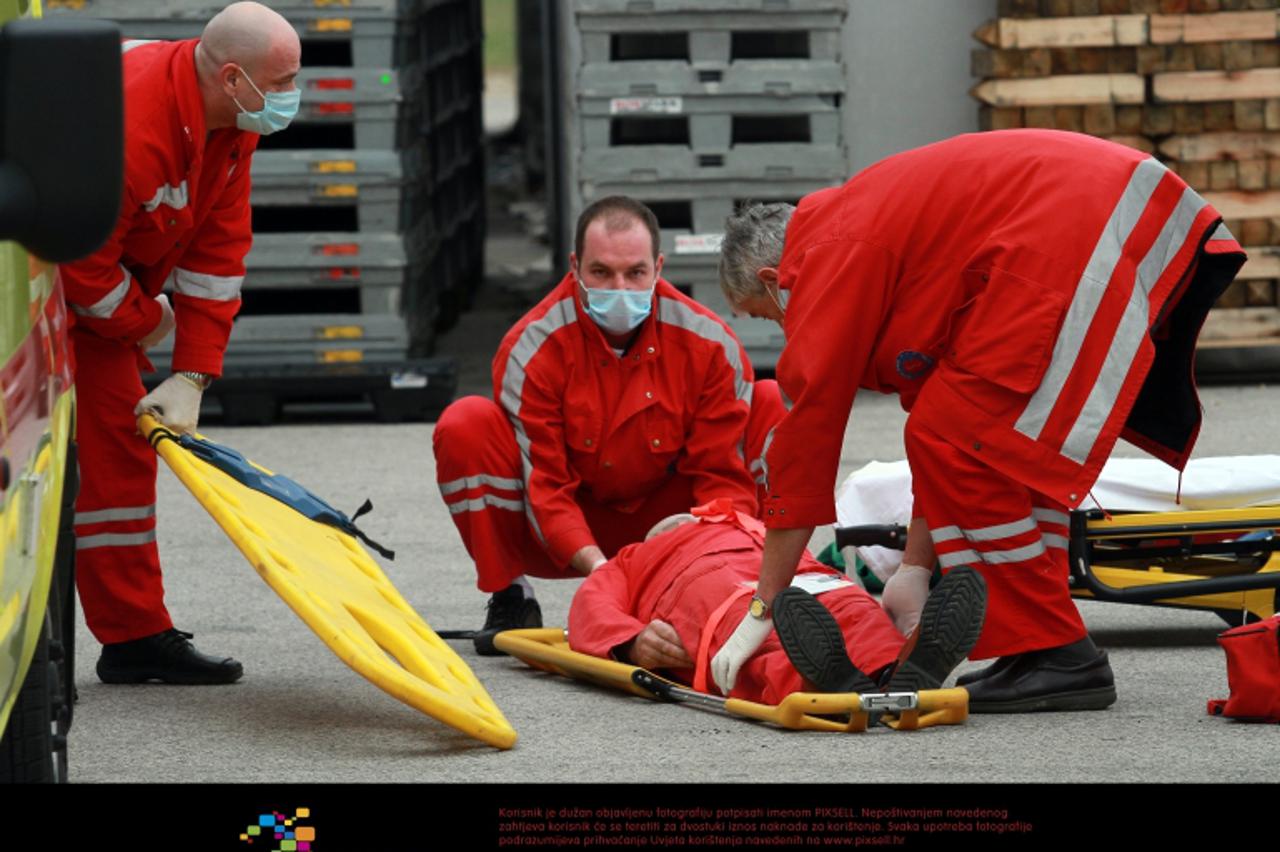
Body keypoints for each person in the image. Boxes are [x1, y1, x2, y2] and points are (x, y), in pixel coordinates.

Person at [710, 129, 1247, 712]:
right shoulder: (867, 233)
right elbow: (934, 410)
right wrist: (915, 567)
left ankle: (1058, 651)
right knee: (986, 441)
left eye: (767, 317)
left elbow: (807, 437)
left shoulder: (827, 256)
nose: (783, 329)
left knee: (958, 439)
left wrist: (763, 604)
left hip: (1077, 227)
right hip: (1110, 212)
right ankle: (1037, 646)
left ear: (773, 281)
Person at [60, 2, 301, 684]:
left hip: (95, 285)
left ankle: (133, 637)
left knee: (119, 453)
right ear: (232, 78)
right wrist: (148, 324)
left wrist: (193, 373)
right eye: (282, 82)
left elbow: (218, 255)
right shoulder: (131, 128)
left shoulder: (231, 123)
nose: (292, 95)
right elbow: (80, 269)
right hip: (43, 281)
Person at [433, 197, 786, 654]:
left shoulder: (710, 344)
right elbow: (546, 486)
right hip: (566, 528)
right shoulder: (532, 346)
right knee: (465, 424)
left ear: (658, 268)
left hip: (671, 524)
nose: (619, 288)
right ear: (575, 267)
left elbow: (722, 477)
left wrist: (702, 562)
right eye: (601, 272)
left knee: (768, 401)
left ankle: (743, 583)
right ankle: (511, 596)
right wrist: (604, 578)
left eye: (635, 273)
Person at [568, 500, 987, 704]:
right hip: (754, 585)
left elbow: (589, 606)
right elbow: (592, 604)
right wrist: (633, 642)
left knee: (850, 614)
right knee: (841, 616)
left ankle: (889, 672)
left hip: (769, 584)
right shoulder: (636, 556)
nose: (689, 520)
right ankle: (880, 670)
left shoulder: (740, 522)